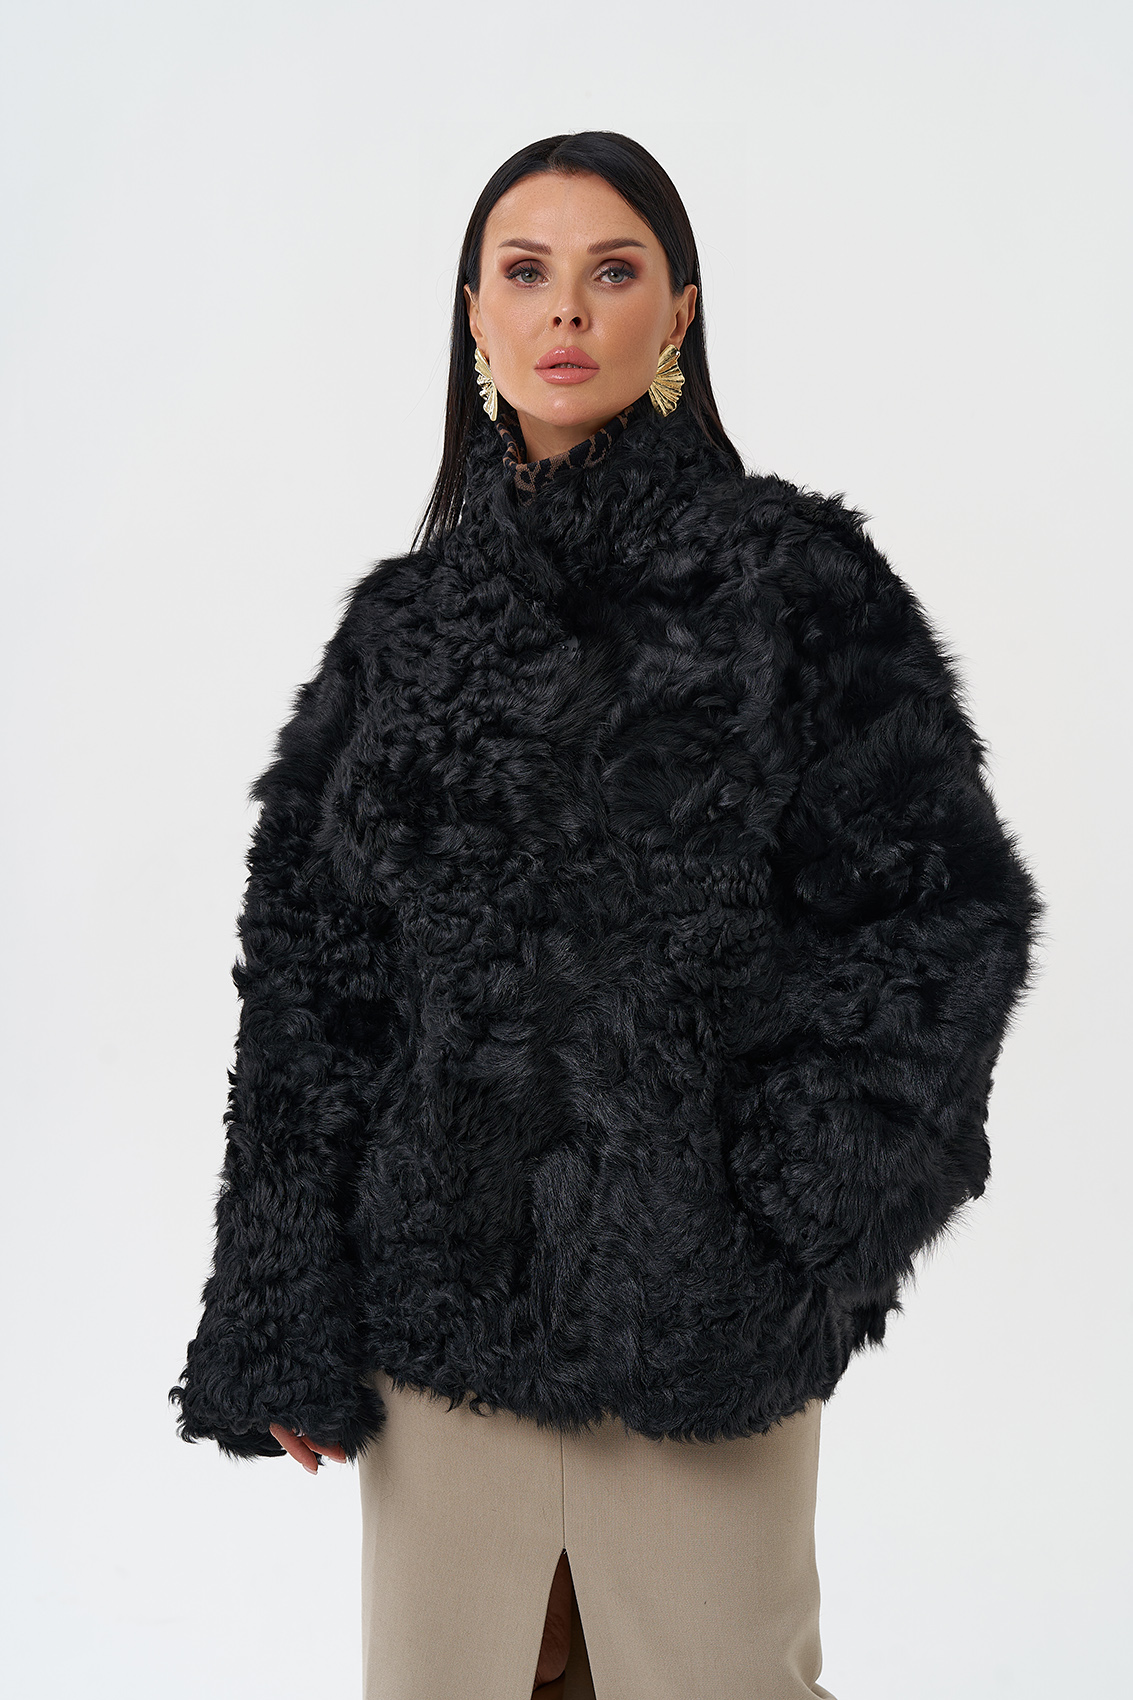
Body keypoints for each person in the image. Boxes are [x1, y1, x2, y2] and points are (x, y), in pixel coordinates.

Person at [169, 131, 1042, 1700]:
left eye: (611, 271)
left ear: (677, 315)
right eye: (525, 273)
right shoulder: (400, 634)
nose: (565, 309)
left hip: (702, 1328)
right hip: (439, 1338)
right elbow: (310, 989)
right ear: (475, 316)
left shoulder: (796, 585)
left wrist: (794, 1212)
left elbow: (939, 916)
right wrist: (278, 1308)